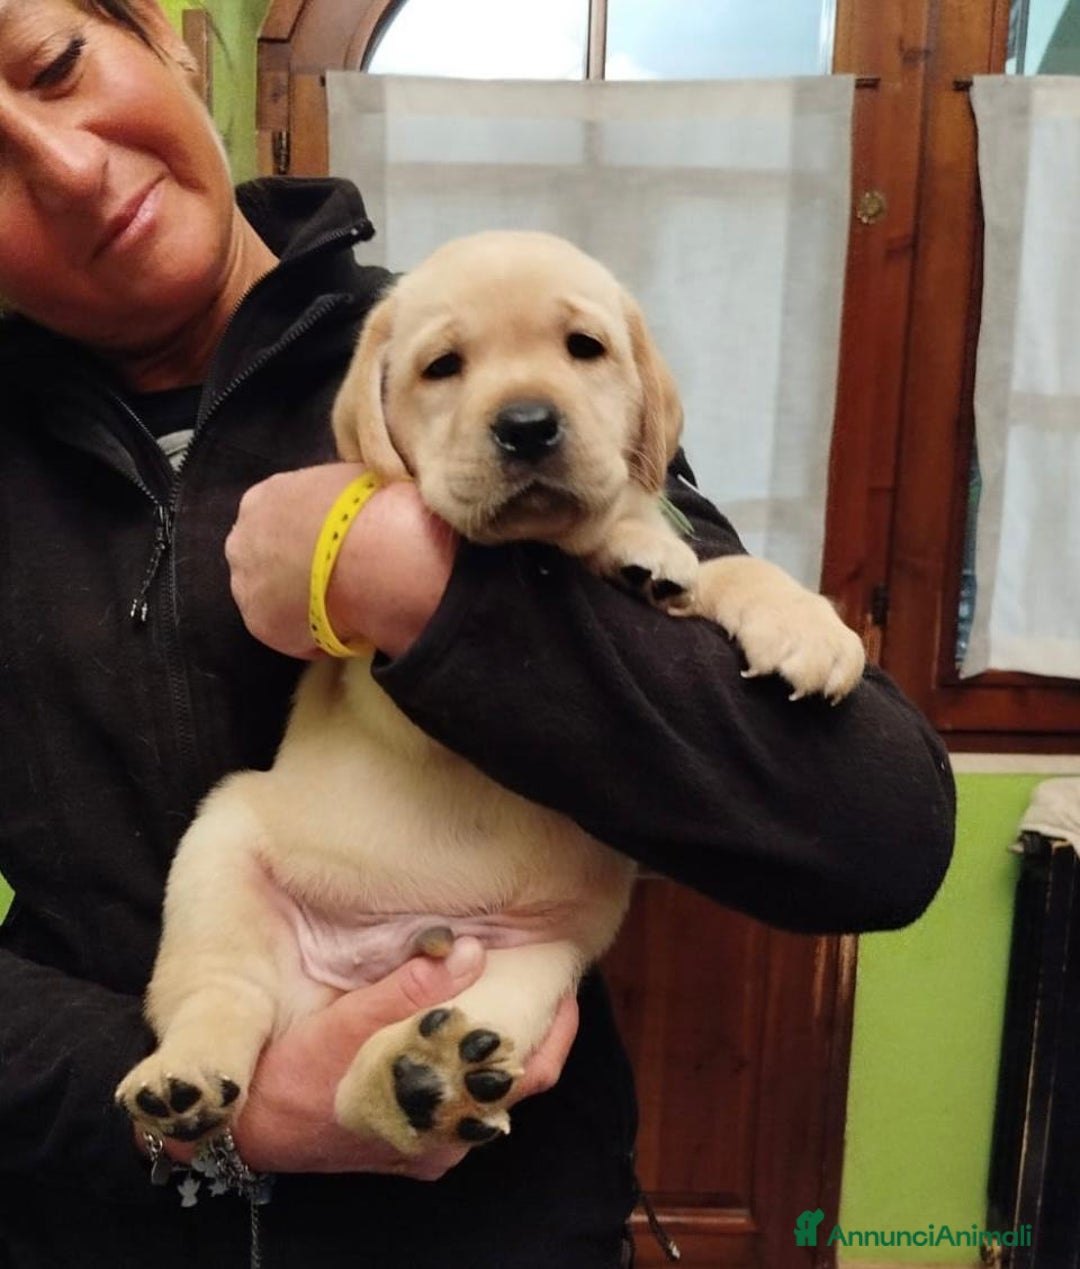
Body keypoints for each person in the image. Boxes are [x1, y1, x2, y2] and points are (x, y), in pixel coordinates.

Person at [0, 2, 956, 1266]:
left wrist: (414, 591)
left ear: (170, 40)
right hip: (94, 1224)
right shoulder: (394, 379)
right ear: (384, 420)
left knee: (533, 962)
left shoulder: (458, 340)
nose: (66, 168)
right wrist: (220, 1118)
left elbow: (879, 837)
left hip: (501, 1224)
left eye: (58, 65)